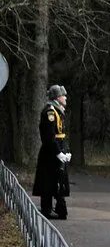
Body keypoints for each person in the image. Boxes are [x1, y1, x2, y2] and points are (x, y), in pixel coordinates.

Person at [33, 84, 71, 219]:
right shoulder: (50, 112)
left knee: (58, 180)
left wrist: (65, 151)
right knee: (48, 181)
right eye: (63, 95)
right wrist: (58, 152)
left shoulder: (57, 110)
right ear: (57, 97)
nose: (65, 98)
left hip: (57, 149)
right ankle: (47, 209)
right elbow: (49, 136)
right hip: (50, 153)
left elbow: (61, 134)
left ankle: (58, 208)